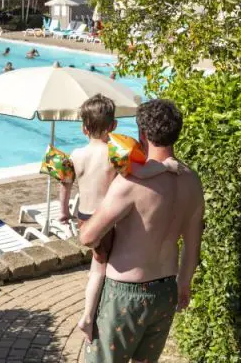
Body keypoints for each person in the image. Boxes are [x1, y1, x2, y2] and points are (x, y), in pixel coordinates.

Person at [79, 100, 204, 363]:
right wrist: (184, 285)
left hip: (125, 294)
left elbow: (88, 237)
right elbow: (193, 247)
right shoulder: (192, 181)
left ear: (142, 134)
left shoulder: (131, 182)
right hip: (166, 291)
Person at [57, 95, 179, 345]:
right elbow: (142, 171)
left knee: (97, 264)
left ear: (83, 128)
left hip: (83, 217)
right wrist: (166, 166)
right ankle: (89, 316)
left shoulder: (76, 154)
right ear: (113, 127)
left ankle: (95, 309)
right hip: (106, 220)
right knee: (99, 271)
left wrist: (63, 212)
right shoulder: (114, 153)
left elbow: (65, 185)